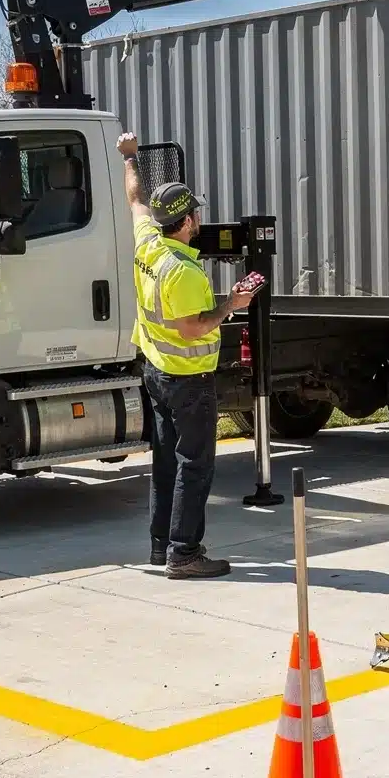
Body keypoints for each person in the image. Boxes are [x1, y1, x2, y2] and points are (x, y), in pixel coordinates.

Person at [120, 132, 255, 579]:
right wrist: (231, 306)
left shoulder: (147, 244)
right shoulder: (184, 272)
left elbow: (135, 199)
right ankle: (185, 553)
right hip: (188, 380)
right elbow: (192, 327)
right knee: (194, 466)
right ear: (187, 221)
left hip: (156, 372)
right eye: (195, 212)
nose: (198, 218)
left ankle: (162, 546)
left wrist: (131, 158)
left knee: (166, 461)